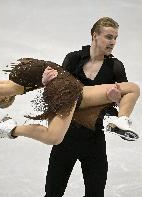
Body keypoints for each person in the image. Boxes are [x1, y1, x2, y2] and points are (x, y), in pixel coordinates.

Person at [43, 17, 130, 196]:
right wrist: (47, 83)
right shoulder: (73, 59)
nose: (113, 42)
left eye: (115, 38)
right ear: (94, 35)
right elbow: (58, 94)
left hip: (94, 139)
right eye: (108, 37)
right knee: (52, 193)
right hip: (65, 137)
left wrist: (116, 99)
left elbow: (124, 101)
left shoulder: (115, 67)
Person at [0, 56, 139, 146]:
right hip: (65, 89)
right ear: (5, 97)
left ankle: (120, 120)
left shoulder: (16, 78)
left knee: (132, 88)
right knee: (53, 138)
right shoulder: (13, 87)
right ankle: (12, 129)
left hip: (74, 87)